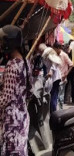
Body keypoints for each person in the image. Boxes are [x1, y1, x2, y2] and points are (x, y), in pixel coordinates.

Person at [0, 25, 31, 155]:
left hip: (11, 122)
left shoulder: (12, 65)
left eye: (2, 40)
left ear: (9, 42)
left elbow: (4, 99)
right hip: (22, 117)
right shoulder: (25, 62)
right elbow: (29, 91)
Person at [41, 44, 62, 113]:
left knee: (53, 96)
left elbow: (54, 64)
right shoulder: (44, 57)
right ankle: (52, 112)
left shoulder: (49, 54)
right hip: (52, 79)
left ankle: (53, 113)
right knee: (52, 96)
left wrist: (51, 72)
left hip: (55, 78)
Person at [53, 42, 73, 110]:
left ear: (58, 48)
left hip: (62, 78)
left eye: (55, 49)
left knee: (60, 96)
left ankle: (60, 111)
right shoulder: (53, 55)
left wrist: (66, 74)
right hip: (55, 78)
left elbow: (71, 64)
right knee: (55, 95)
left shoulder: (64, 55)